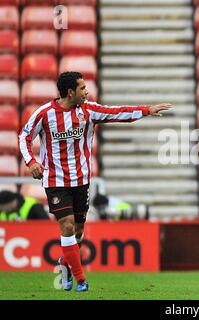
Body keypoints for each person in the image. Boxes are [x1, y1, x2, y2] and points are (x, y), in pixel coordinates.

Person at [18, 71, 171, 292]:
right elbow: (24, 136)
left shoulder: (88, 110)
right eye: (82, 88)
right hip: (55, 180)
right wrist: (31, 162)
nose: (86, 91)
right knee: (67, 225)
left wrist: (147, 110)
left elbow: (118, 112)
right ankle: (80, 279)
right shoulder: (44, 114)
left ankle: (66, 263)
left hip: (81, 179)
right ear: (70, 92)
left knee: (78, 230)